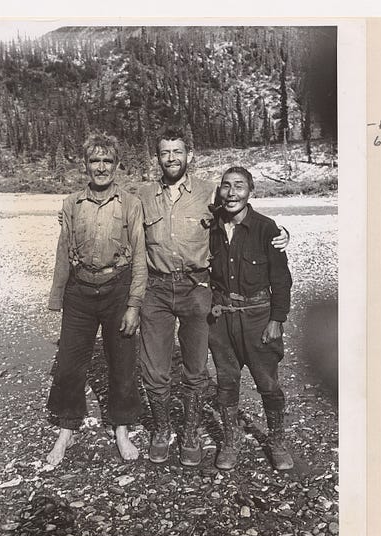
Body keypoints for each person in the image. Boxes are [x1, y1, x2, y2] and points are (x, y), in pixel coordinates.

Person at [139, 128, 289, 466]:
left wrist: (282, 236)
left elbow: (255, 229)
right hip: (167, 292)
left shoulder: (214, 195)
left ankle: (206, 435)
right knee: (176, 372)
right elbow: (123, 223)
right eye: (165, 152)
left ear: (189, 155)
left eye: (178, 151)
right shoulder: (143, 196)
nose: (172, 158)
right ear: (158, 157)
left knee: (225, 374)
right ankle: (171, 433)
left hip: (202, 292)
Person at [46, 132, 147, 466]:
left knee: (122, 363)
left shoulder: (131, 204)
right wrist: (57, 297)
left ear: (117, 165)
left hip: (117, 288)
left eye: (107, 161)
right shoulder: (70, 204)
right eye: (95, 161)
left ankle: (121, 427)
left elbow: (140, 257)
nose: (101, 167)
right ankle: (67, 427)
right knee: (70, 364)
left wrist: (134, 305)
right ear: (85, 166)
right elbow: (63, 250)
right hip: (79, 291)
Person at [208, 166, 293, 471]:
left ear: (250, 191)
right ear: (219, 191)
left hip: (259, 318)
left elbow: (282, 279)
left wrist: (277, 319)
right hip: (221, 320)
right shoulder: (211, 227)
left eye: (239, 187)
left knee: (268, 384)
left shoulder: (266, 228)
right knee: (226, 383)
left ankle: (277, 441)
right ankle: (231, 441)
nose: (232, 193)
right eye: (226, 187)